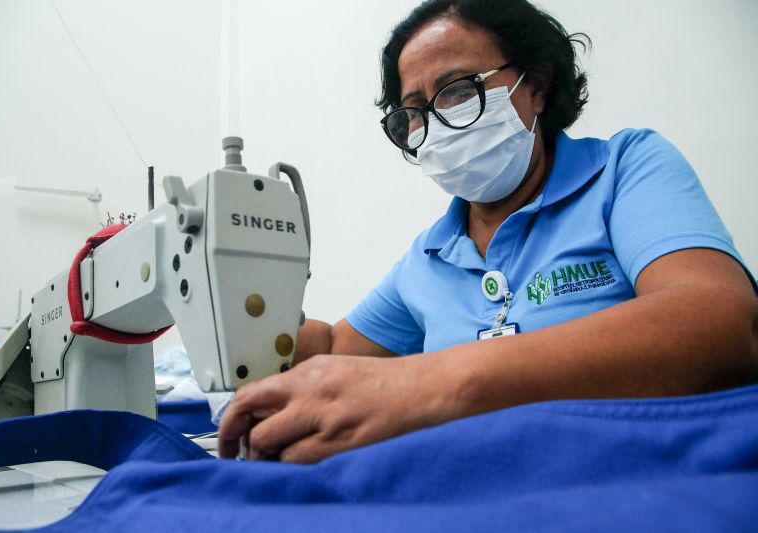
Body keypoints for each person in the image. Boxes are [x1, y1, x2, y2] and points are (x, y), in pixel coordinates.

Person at [218, 0, 758, 463]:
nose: (432, 123)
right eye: (413, 111)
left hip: (635, 476)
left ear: (537, 86)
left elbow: (720, 322)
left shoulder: (624, 171)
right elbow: (337, 346)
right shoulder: (430, 255)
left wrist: (433, 385)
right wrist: (223, 304)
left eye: (456, 90)